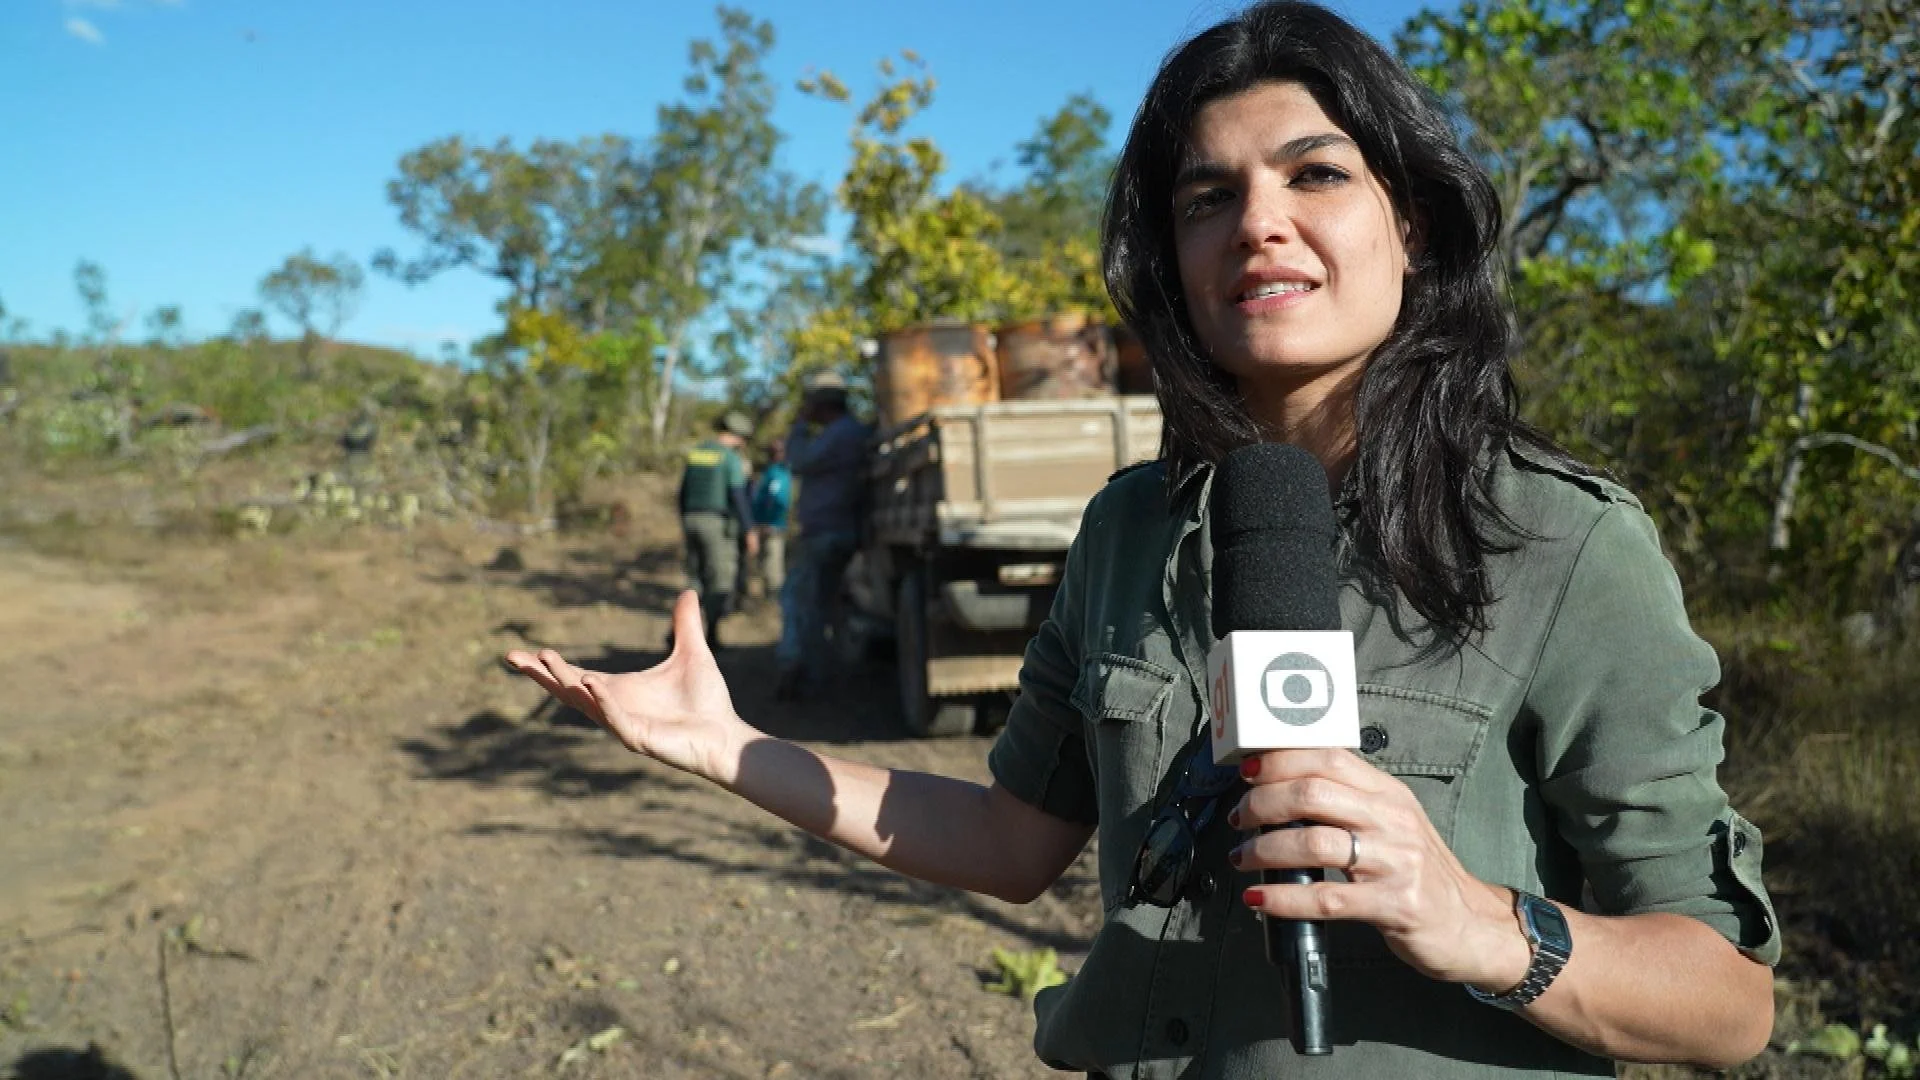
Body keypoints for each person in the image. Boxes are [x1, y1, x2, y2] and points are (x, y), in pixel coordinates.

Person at [507, 4, 1777, 1075]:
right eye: (1208, 197)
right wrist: (731, 750)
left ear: (1417, 226)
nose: (1259, 223)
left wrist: (1483, 925)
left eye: (1317, 174)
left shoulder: (1560, 544)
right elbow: (1013, 841)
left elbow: (1729, 1001)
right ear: (1173, 261)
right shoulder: (1129, 526)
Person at [773, 371, 871, 701]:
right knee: (823, 604)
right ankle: (819, 673)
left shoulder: (837, 435)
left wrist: (799, 426)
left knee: (799, 601)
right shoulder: (852, 432)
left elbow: (797, 461)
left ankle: (804, 675)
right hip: (841, 530)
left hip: (825, 532)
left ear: (820, 404)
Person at [677, 410, 758, 648]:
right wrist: (749, 529)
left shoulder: (697, 452)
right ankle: (711, 635)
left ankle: (677, 632)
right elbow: (738, 495)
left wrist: (685, 519)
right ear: (740, 437)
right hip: (716, 523)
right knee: (719, 578)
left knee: (694, 578)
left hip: (691, 519)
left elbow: (682, 492)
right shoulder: (730, 458)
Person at [748, 437, 792, 602]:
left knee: (773, 566)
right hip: (763, 525)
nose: (775, 454)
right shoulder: (770, 472)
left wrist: (771, 522)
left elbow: (777, 500)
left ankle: (774, 601)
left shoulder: (779, 473)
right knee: (764, 565)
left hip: (772, 526)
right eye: (772, 451)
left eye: (779, 451)